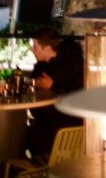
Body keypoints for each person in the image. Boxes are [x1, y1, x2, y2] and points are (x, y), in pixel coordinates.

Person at [27, 27, 84, 158]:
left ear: (47, 48)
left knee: (20, 135)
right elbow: (34, 81)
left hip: (64, 126)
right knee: (21, 133)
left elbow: (79, 94)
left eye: (35, 46)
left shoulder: (72, 65)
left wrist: (53, 86)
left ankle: (14, 170)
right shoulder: (43, 65)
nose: (32, 49)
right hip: (48, 122)